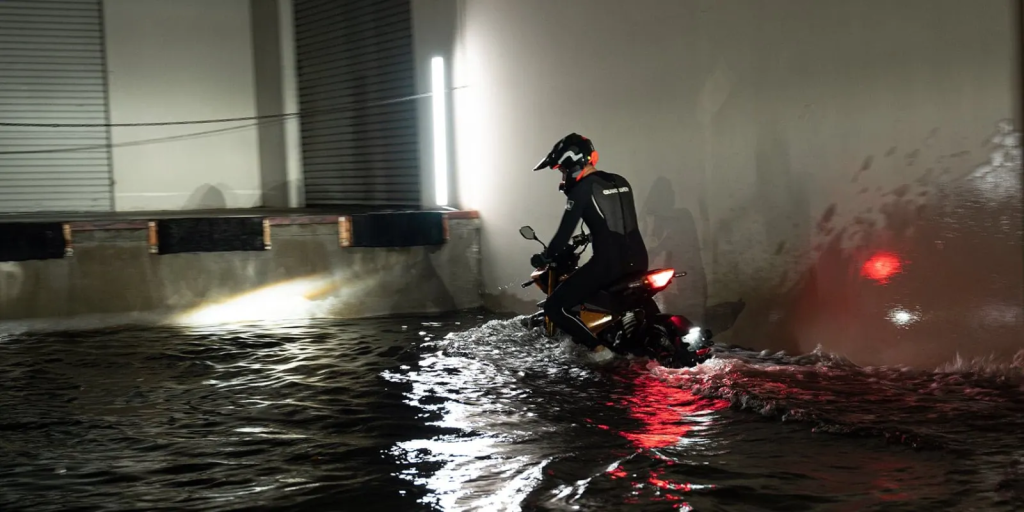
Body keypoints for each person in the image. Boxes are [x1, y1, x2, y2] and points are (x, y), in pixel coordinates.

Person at [530, 133, 649, 349]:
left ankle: (599, 351)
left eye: (562, 171)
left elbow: (562, 236)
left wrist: (544, 257)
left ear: (571, 164)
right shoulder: (621, 181)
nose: (563, 178)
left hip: (608, 265)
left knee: (554, 307)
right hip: (640, 259)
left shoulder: (582, 190)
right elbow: (615, 222)